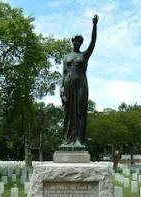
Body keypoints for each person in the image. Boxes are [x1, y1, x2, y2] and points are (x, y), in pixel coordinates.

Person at [60, 14, 99, 148]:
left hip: (81, 85)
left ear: (81, 43)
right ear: (72, 42)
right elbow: (63, 74)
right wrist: (61, 91)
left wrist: (94, 25)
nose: (77, 43)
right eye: (75, 41)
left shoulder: (84, 55)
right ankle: (67, 141)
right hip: (68, 86)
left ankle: (79, 140)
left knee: (80, 112)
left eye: (79, 41)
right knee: (68, 114)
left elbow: (93, 42)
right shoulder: (66, 57)